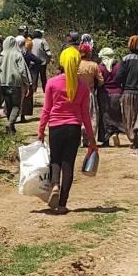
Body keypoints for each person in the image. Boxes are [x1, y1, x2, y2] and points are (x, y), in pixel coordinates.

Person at [37, 46, 97, 215]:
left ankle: (54, 184)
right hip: (74, 128)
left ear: (62, 62)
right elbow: (86, 115)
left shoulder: (52, 83)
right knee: (68, 164)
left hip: (55, 127)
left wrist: (41, 131)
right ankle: (63, 203)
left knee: (55, 159)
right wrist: (91, 139)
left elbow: (46, 110)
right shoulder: (83, 87)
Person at [0, 36, 30, 134]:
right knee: (16, 106)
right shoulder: (17, 54)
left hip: (3, 83)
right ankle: (10, 123)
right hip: (16, 83)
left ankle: (11, 128)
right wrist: (27, 83)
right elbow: (22, 70)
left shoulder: (1, 55)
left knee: (8, 105)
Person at [77, 42, 104, 147]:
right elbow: (101, 81)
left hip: (76, 93)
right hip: (89, 93)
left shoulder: (76, 64)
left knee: (78, 115)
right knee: (91, 116)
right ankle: (88, 139)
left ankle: (78, 140)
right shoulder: (93, 65)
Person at [97, 47, 123, 146]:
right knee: (116, 115)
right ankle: (115, 133)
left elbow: (98, 81)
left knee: (105, 116)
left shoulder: (100, 67)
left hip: (104, 93)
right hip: (117, 93)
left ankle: (105, 139)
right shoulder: (119, 66)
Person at [20, 36, 41, 121]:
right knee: (26, 96)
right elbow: (38, 61)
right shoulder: (28, 54)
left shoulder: (19, 53)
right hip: (27, 75)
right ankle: (22, 116)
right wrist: (33, 68)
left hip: (17, 76)